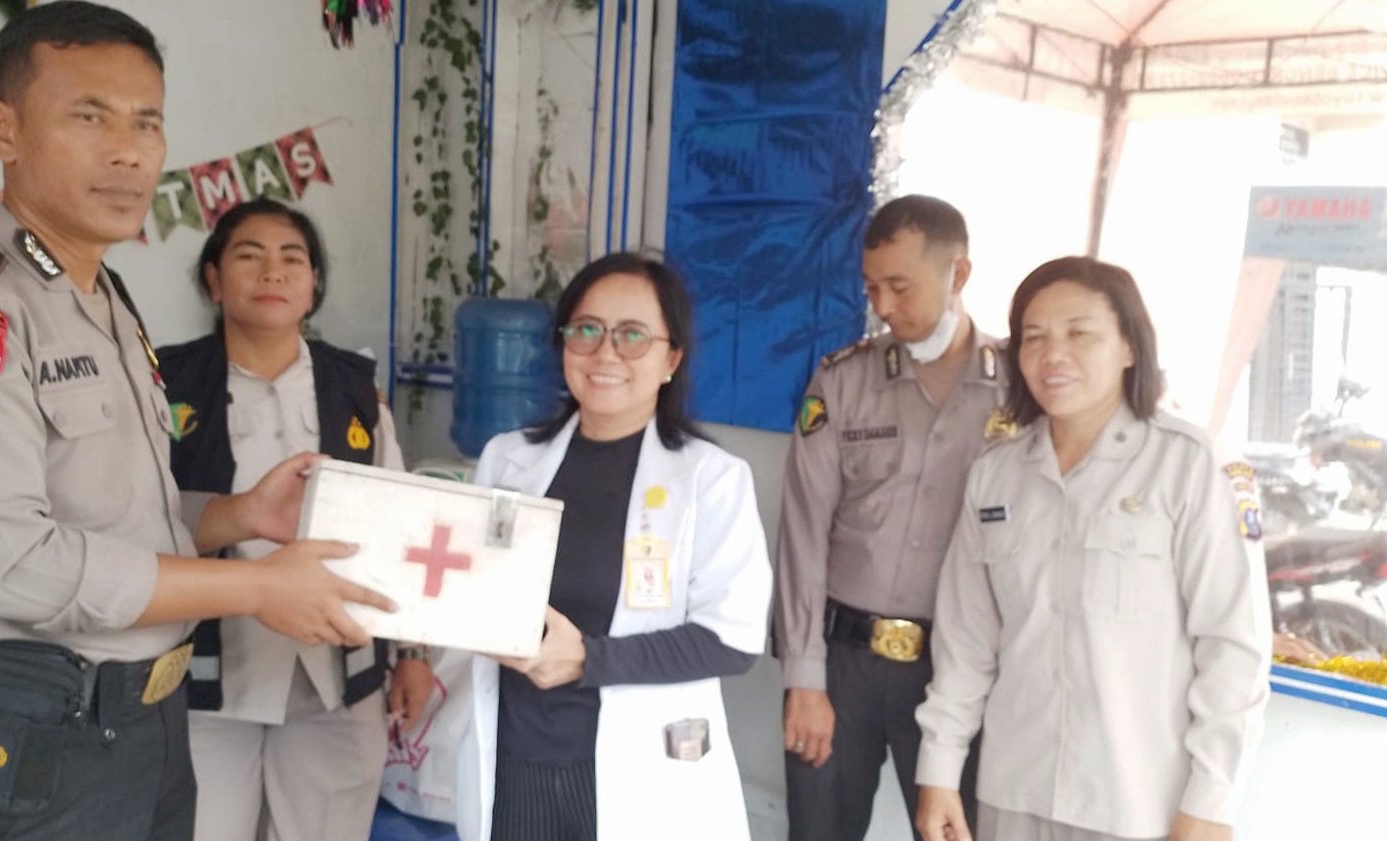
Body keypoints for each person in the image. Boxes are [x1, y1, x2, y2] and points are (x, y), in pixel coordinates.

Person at [0, 5, 388, 840]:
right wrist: (259, 586)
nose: (128, 151)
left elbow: (119, 517)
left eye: (147, 123)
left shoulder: (106, 302)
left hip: (148, 730)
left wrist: (234, 516)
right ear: (3, 128)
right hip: (34, 750)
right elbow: (14, 566)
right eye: (90, 117)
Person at [914, 256, 1271, 841]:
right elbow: (965, 643)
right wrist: (939, 770)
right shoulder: (996, 475)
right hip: (1014, 791)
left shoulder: (1190, 466)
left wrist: (1210, 803)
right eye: (1034, 337)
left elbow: (1233, 647)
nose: (1053, 355)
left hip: (1138, 804)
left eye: (1079, 334)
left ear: (1129, 346)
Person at [456, 253, 773, 841]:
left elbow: (733, 639)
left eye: (632, 335)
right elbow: (471, 588)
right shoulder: (507, 459)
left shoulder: (711, 479)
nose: (605, 353)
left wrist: (588, 660)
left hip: (640, 771)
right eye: (587, 330)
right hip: (515, 758)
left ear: (671, 358)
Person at [157, 198, 435, 841]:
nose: (273, 272)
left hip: (336, 675)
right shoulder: (163, 384)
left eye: (292, 259)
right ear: (214, 280)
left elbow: (404, 525)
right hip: (205, 677)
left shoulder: (355, 389)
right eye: (249, 256)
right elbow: (134, 519)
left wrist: (414, 654)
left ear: (313, 286)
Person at [775, 195, 1002, 841]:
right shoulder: (843, 380)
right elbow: (802, 534)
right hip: (840, 663)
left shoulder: (1017, 390)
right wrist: (804, 677)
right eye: (872, 287)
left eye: (900, 287)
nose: (883, 306)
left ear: (958, 274)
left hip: (960, 675)